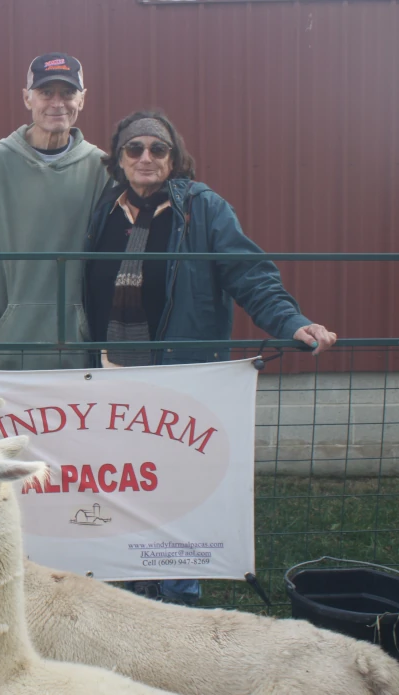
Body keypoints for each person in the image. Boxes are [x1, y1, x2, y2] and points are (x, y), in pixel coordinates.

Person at [84, 110, 337, 605]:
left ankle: (178, 597)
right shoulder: (104, 209)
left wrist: (291, 323)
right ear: (118, 158)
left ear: (174, 158)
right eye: (134, 148)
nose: (146, 157)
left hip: (180, 375)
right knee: (126, 485)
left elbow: (250, 275)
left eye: (158, 149)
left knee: (177, 487)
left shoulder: (203, 209)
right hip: (112, 373)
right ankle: (133, 586)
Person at [0, 53, 110, 371]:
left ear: (83, 98)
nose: (57, 103)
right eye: (45, 92)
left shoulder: (102, 169)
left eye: (67, 92)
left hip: (79, 354)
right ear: (27, 98)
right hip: (6, 354)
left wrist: (100, 334)